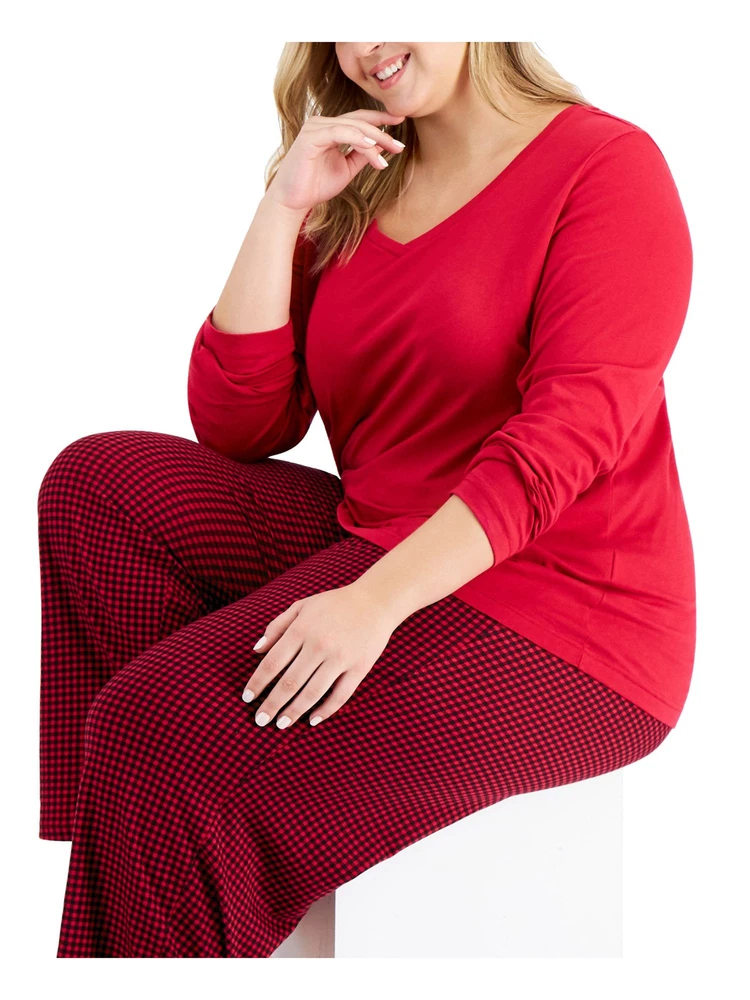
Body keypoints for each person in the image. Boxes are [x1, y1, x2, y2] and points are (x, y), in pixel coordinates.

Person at [39, 42, 694, 958]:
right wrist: (284, 208)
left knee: (155, 726)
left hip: (566, 613)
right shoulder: (361, 184)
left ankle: (174, 824)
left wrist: (374, 603)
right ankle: (159, 853)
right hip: (378, 539)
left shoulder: (605, 167)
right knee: (101, 489)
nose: (366, 43)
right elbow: (241, 424)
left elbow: (565, 443)